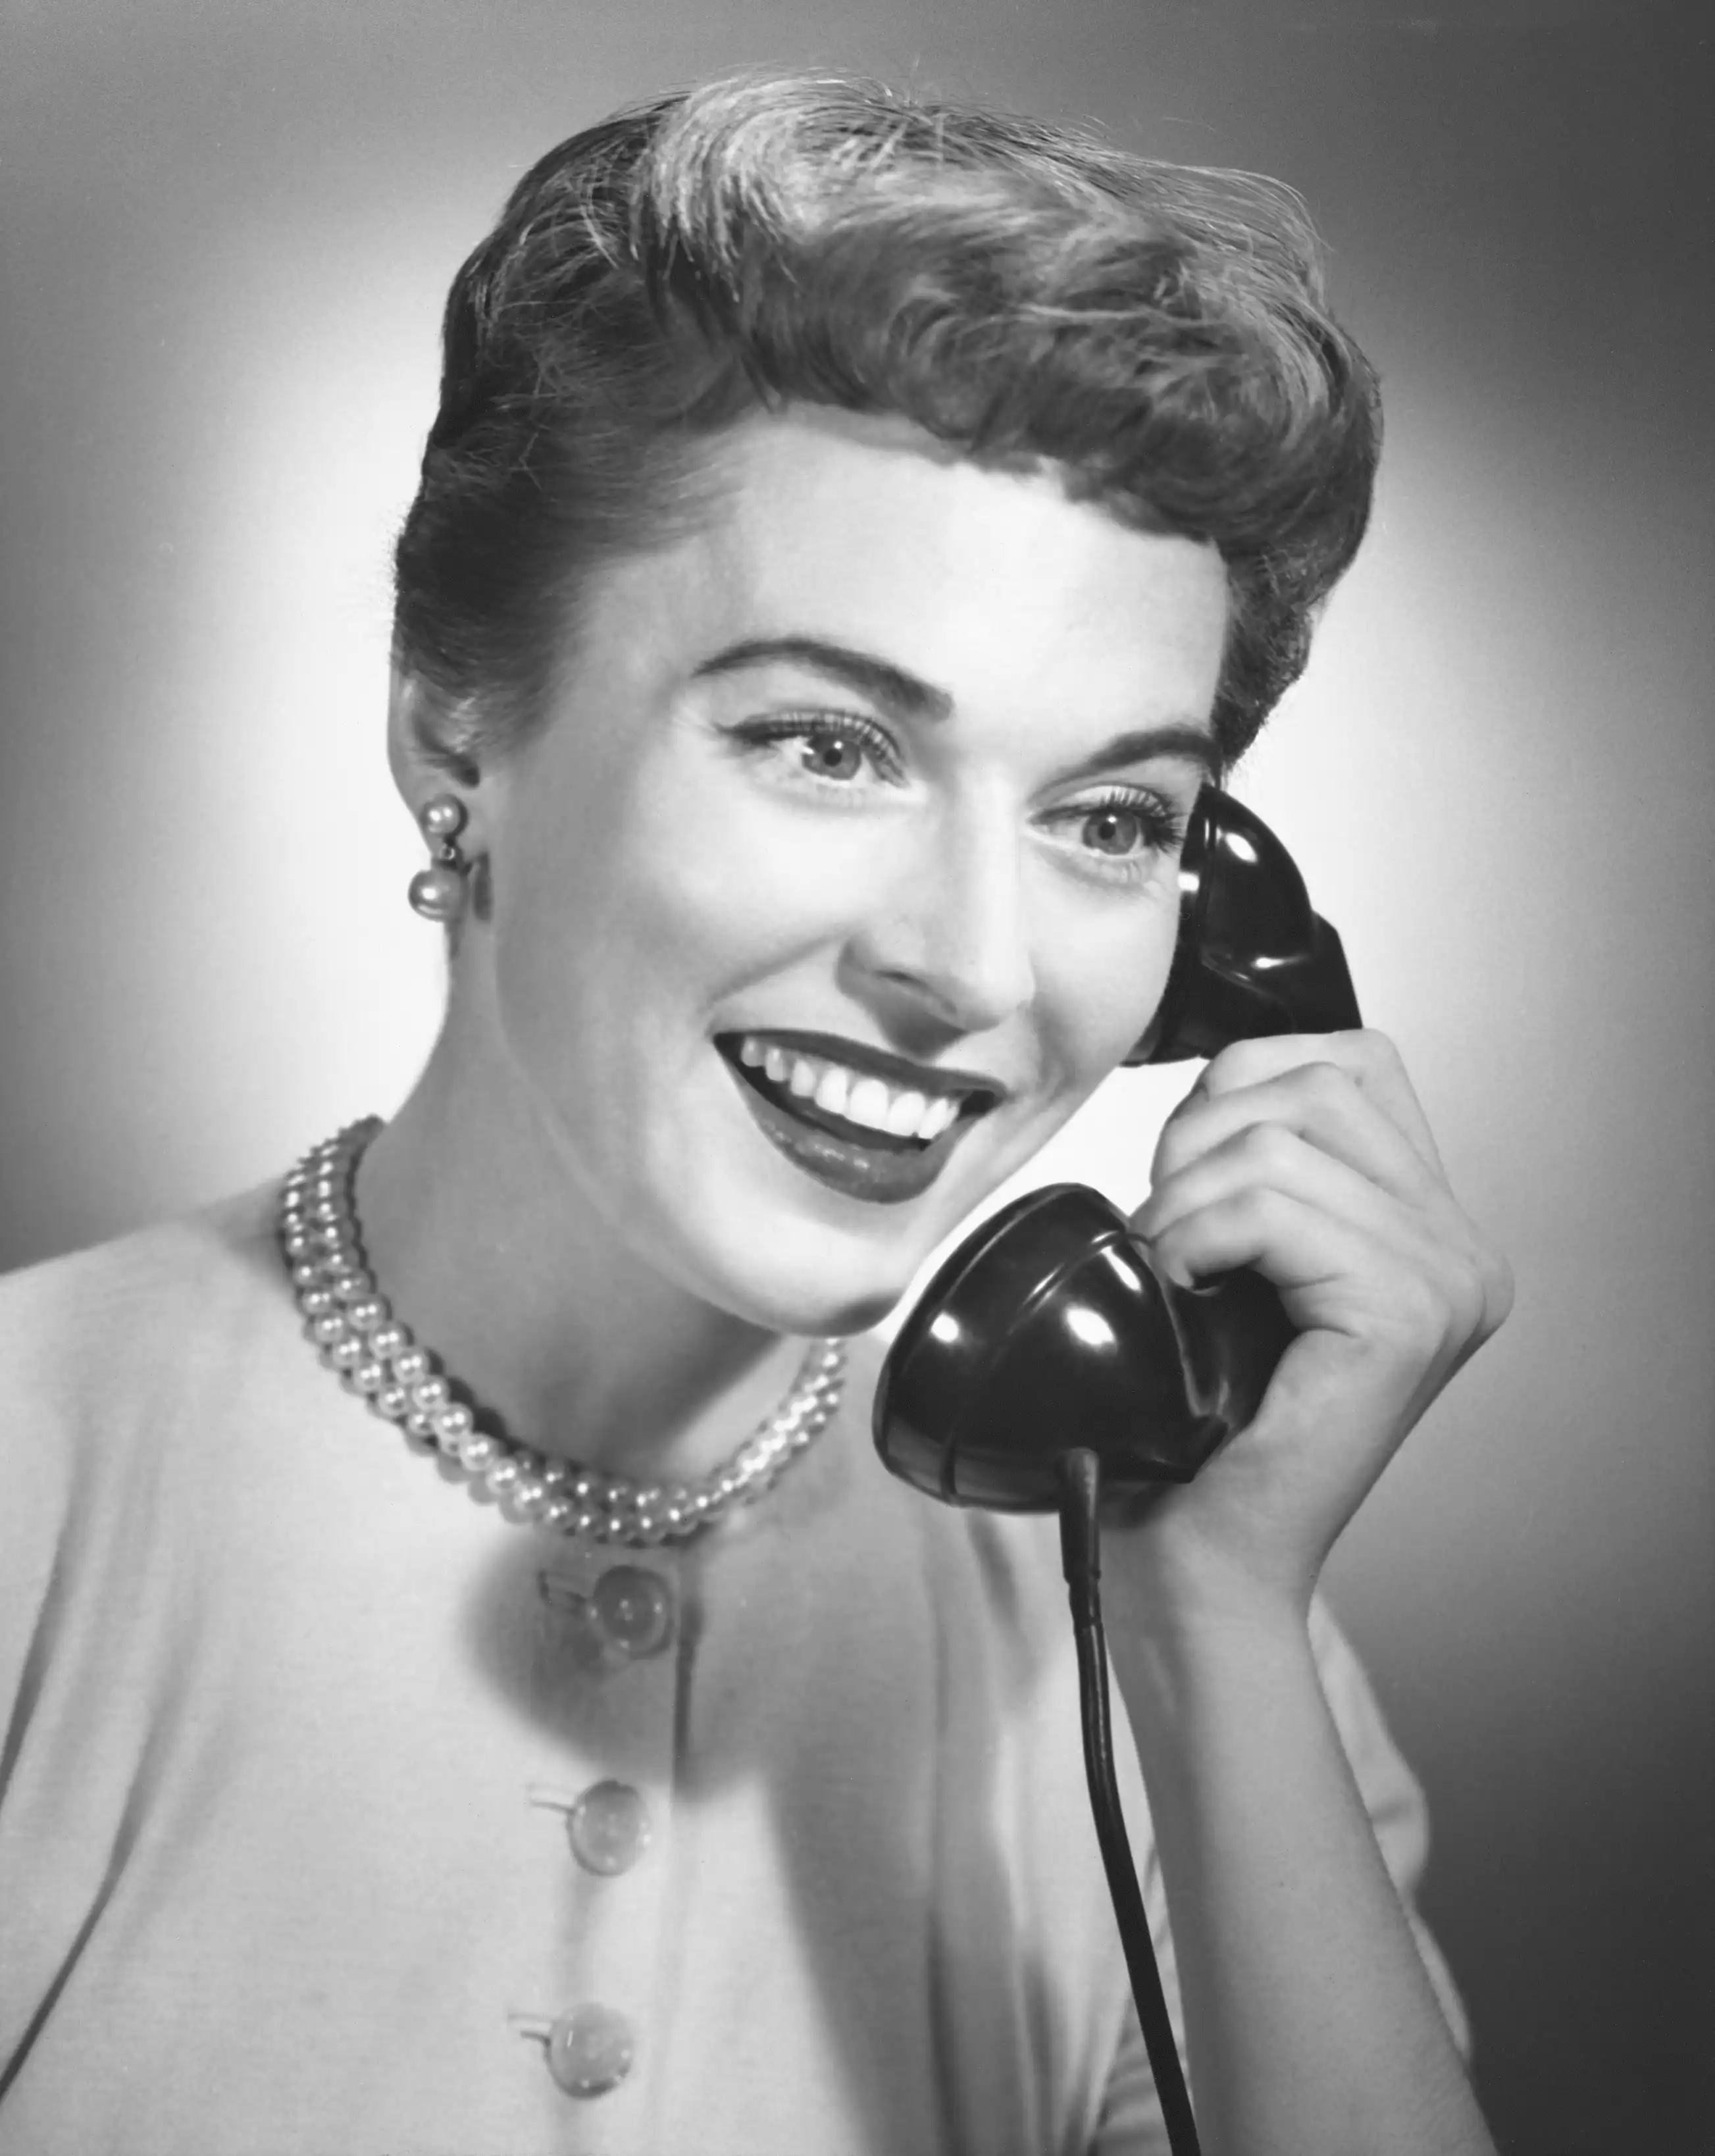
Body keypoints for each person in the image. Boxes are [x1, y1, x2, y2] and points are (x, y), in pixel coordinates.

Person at [0, 70, 1512, 2156]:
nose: (971, 966)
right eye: (827, 743)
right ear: (458, 727)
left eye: (1105, 817)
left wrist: (1216, 1617)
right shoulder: (37, 1491)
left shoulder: (1167, 1636)